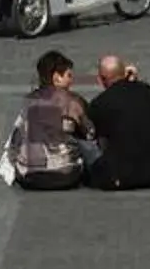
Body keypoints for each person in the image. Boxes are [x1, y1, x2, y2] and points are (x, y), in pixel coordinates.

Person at [10, 50, 97, 190]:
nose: (71, 81)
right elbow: (90, 133)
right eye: (68, 76)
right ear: (57, 77)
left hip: (28, 176)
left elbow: (16, 138)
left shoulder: (28, 101)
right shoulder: (73, 101)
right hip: (65, 175)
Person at [83, 55, 150, 189]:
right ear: (125, 72)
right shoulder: (147, 91)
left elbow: (99, 139)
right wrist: (133, 80)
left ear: (101, 79)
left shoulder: (99, 103)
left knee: (85, 143)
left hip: (120, 176)